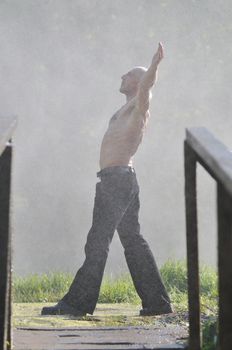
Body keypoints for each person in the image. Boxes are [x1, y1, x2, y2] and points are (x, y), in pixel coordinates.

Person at [42, 42, 173, 317]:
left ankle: (77, 304)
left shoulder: (139, 104)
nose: (121, 77)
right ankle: (157, 302)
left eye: (127, 74)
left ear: (137, 81)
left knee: (97, 241)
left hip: (117, 181)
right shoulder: (124, 109)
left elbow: (147, 85)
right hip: (120, 180)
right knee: (132, 240)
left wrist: (153, 66)